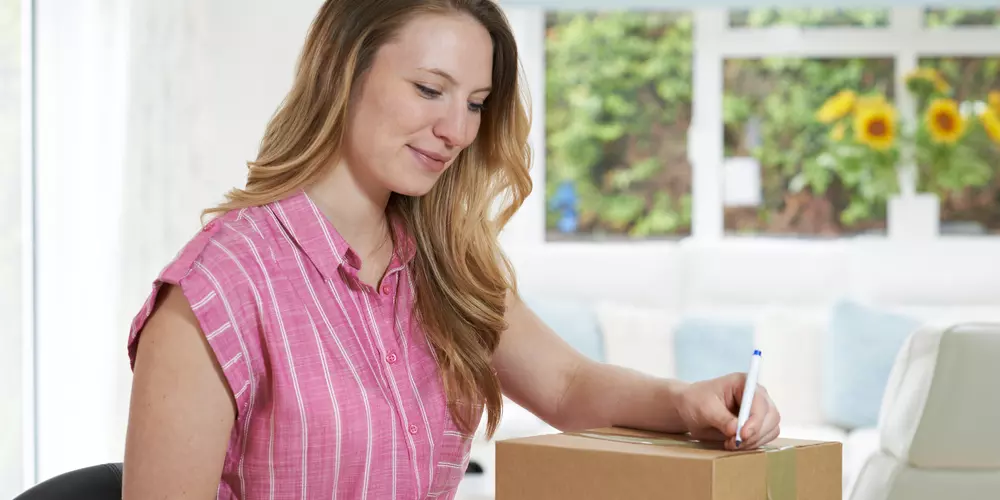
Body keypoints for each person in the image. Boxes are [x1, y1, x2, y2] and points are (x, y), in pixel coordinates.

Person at [121, 0, 781, 499]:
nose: (457, 130)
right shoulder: (216, 291)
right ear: (342, 72)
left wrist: (686, 400)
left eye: (476, 103)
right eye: (430, 90)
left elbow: (568, 383)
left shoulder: (439, 263)